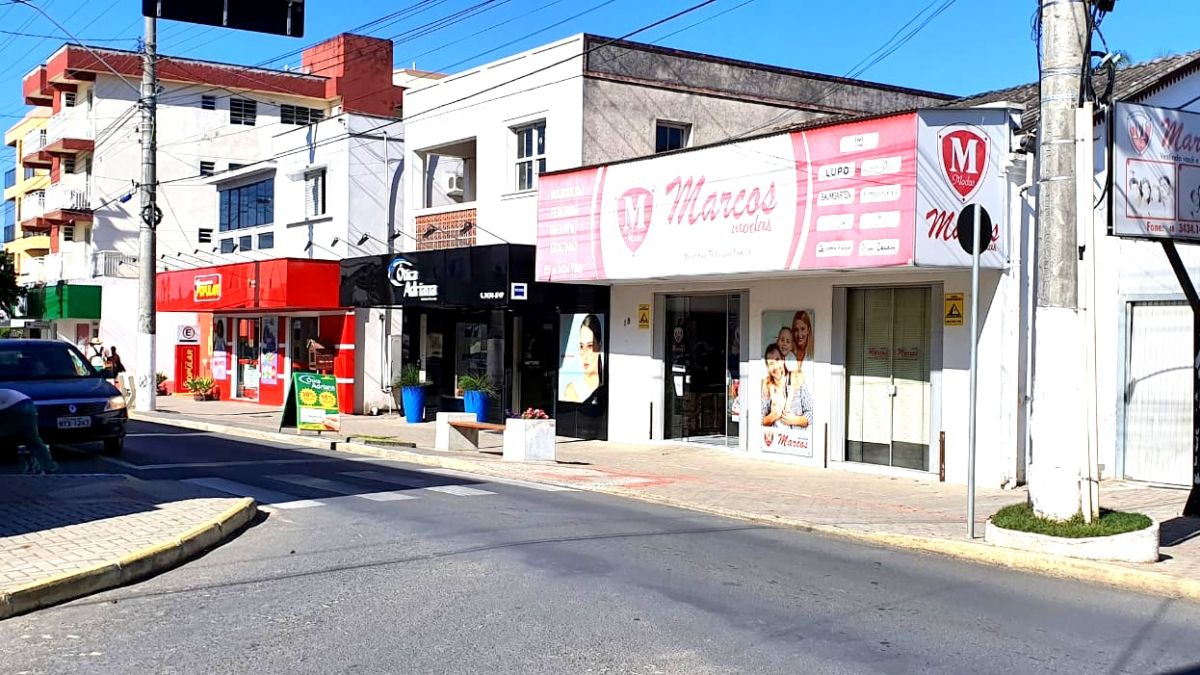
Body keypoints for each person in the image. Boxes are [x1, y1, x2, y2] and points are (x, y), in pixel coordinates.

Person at [0, 388, 59, 474]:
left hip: (14, 406)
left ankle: (31, 464)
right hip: (28, 403)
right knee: (33, 438)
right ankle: (49, 466)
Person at [563, 314, 603, 403]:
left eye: (589, 346)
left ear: (599, 346)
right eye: (581, 346)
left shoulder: (606, 387)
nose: (584, 354)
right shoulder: (572, 390)